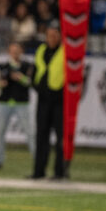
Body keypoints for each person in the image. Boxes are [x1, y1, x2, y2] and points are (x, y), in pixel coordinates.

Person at [30, 22, 66, 180]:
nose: (51, 38)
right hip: (43, 99)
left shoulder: (65, 52)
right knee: (41, 136)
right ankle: (39, 171)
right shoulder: (41, 50)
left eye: (54, 35)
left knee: (60, 138)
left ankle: (60, 172)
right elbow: (36, 70)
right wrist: (35, 85)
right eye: (48, 35)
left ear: (59, 36)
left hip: (59, 100)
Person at [0, 41, 34, 169]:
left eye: (17, 51)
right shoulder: (4, 66)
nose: (15, 53)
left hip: (21, 102)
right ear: (9, 52)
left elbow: (29, 82)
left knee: (30, 132)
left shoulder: (27, 65)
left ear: (21, 52)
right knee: (0, 132)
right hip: (5, 102)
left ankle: (38, 161)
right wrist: (1, 84)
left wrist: (20, 77)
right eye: (12, 51)